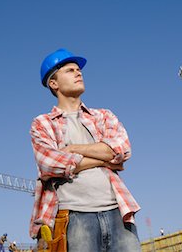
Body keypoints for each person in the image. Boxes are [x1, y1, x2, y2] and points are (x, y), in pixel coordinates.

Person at [29, 48, 141, 252]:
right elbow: (50, 165)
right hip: (74, 218)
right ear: (53, 84)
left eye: (78, 69)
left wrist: (72, 149)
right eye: (70, 70)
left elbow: (122, 148)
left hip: (118, 213)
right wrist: (104, 158)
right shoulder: (42, 123)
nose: (78, 73)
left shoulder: (104, 116)